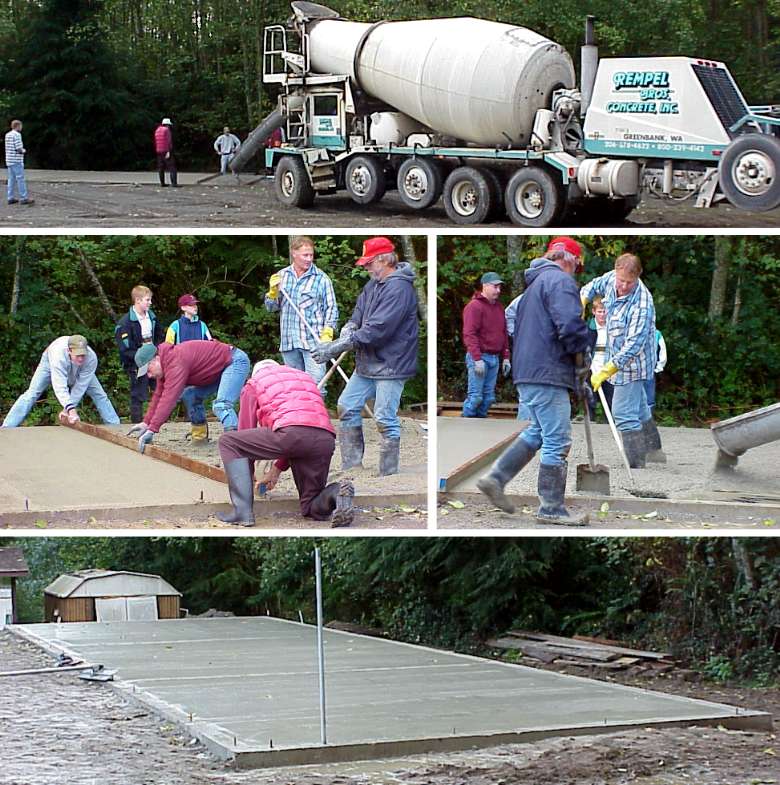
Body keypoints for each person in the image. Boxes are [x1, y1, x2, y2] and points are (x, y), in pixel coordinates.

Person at [476, 236, 591, 525]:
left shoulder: (533, 287)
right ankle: (551, 508)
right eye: (577, 265)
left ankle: (496, 478)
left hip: (528, 370)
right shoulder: (560, 282)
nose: (576, 271)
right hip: (547, 371)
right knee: (558, 439)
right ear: (568, 258)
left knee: (537, 431)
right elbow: (569, 325)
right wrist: (582, 360)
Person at [311, 236, 419, 476]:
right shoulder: (374, 284)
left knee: (384, 417)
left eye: (370, 262)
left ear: (383, 259)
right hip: (368, 363)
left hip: (392, 364)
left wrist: (337, 346)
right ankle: (352, 466)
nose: (366, 267)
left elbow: (378, 330)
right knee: (347, 405)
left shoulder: (399, 288)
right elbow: (359, 313)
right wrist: (349, 326)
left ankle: (388, 474)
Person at [216, 360, 354, 527]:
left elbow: (245, 431)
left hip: (290, 434)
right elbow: (301, 428)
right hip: (324, 439)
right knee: (311, 506)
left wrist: (249, 474)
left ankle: (242, 512)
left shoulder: (253, 384)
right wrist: (276, 470)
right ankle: (337, 492)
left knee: (229, 442)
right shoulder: (305, 379)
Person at [581, 253, 666, 467]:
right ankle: (654, 452)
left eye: (630, 282)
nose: (624, 286)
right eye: (621, 280)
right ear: (616, 271)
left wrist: (607, 369)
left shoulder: (642, 304)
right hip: (615, 355)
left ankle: (636, 464)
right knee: (639, 408)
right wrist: (581, 302)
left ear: (638, 277)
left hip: (634, 364)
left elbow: (633, 346)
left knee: (623, 412)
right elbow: (592, 287)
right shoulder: (611, 278)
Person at [127, 340, 249, 452]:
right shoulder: (166, 365)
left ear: (156, 359)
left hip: (234, 362)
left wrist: (152, 429)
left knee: (221, 405)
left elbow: (168, 399)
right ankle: (199, 437)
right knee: (190, 395)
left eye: (148, 370)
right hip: (217, 369)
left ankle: (236, 443)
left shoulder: (175, 362)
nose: (149, 375)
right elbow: (159, 396)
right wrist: (146, 423)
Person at [265, 235, 338, 386]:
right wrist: (272, 293)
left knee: (316, 387)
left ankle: (315, 410)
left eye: (311, 255)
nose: (309, 259)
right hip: (289, 342)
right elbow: (271, 308)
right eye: (305, 255)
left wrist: (328, 332)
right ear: (294, 253)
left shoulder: (322, 279)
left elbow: (331, 308)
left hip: (314, 343)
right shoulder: (282, 276)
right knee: (294, 389)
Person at [2, 335, 119, 427]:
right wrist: (71, 409)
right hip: (49, 361)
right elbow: (60, 386)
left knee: (99, 394)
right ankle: (7, 426)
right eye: (78, 355)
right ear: (69, 351)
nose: (81, 358)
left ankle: (115, 426)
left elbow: (80, 386)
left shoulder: (91, 358)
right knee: (32, 393)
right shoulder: (58, 356)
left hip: (80, 368)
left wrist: (67, 410)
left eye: (83, 355)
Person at [461, 272, 510, 418]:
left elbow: (504, 333)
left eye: (499, 287)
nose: (498, 290)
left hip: (494, 358)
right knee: (476, 397)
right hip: (479, 357)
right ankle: (465, 426)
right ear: (485, 286)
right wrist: (477, 359)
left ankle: (480, 427)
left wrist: (506, 357)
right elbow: (469, 334)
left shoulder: (499, 308)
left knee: (488, 399)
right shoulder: (474, 307)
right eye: (495, 287)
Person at [114, 285, 166, 424]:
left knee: (159, 389)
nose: (150, 303)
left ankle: (159, 421)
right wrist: (139, 359)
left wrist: (157, 353)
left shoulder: (153, 318)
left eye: (150, 300)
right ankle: (137, 423)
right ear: (137, 300)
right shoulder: (124, 323)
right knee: (138, 393)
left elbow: (160, 336)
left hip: (154, 358)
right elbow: (124, 349)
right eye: (147, 300)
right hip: (136, 363)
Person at [588, 295, 615, 416]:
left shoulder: (614, 328)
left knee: (610, 400)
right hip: (591, 368)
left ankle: (608, 422)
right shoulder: (587, 328)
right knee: (590, 399)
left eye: (605, 311)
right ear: (594, 312)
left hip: (609, 368)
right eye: (600, 311)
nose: (603, 314)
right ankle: (590, 419)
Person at [5, 119, 34, 206]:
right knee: (20, 179)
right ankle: (24, 198)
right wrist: (24, 151)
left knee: (11, 179)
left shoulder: (8, 134)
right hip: (16, 160)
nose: (21, 127)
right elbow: (19, 149)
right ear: (18, 126)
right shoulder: (17, 135)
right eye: (21, 126)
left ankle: (10, 197)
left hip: (9, 160)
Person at [643, 328, 667, 412]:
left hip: (649, 371)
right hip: (633, 372)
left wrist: (658, 367)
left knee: (649, 399)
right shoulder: (632, 330)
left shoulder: (657, 334)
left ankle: (648, 422)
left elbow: (662, 352)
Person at [154, 117, 178, 187]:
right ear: (168, 124)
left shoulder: (157, 130)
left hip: (159, 151)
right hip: (166, 150)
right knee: (172, 167)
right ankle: (174, 183)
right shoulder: (167, 130)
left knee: (161, 167)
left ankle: (162, 183)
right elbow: (168, 141)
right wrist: (169, 151)